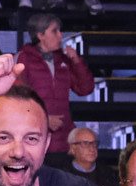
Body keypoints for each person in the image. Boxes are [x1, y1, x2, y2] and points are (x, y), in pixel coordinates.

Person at [14, 12, 92, 155]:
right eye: (55, 31)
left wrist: (76, 61)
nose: (60, 36)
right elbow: (16, 99)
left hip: (63, 137)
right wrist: (42, 119)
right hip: (34, 136)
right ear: (40, 35)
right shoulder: (23, 58)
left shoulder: (64, 59)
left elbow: (85, 89)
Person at [43, 124, 122, 186]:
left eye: (94, 143)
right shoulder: (58, 178)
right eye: (85, 144)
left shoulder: (110, 175)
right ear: (73, 148)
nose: (92, 149)